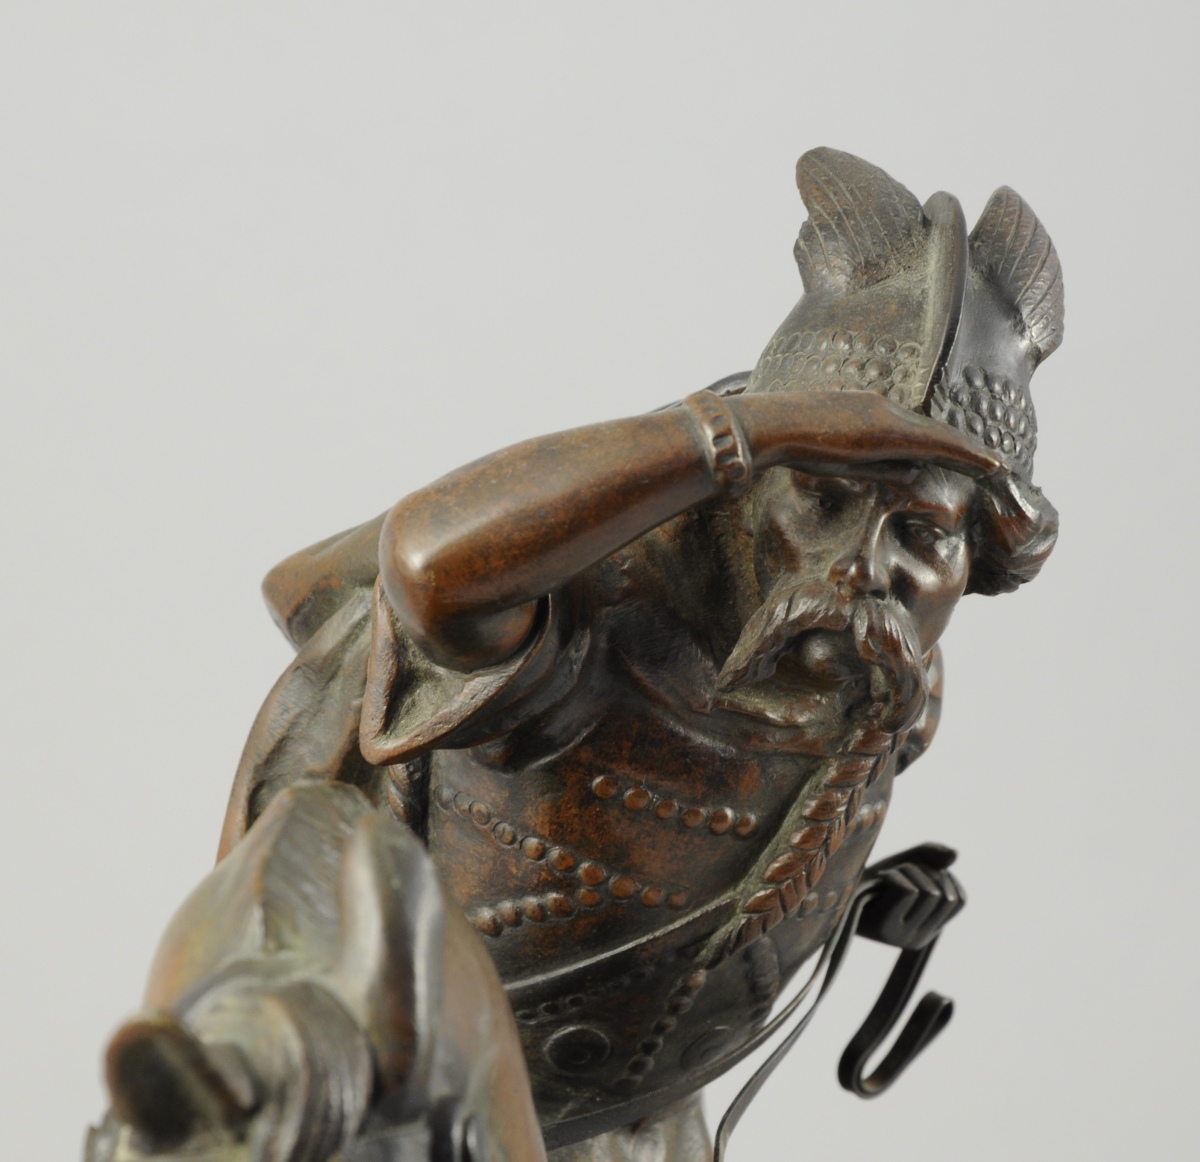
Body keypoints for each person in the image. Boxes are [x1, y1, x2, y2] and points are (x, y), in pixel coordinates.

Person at [89, 148, 1062, 1162]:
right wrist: (734, 431)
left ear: (978, 562)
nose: (861, 566)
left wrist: (853, 900)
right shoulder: (596, 614)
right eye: (820, 498)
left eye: (923, 534)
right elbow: (429, 571)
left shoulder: (893, 688)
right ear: (750, 493)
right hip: (412, 1107)